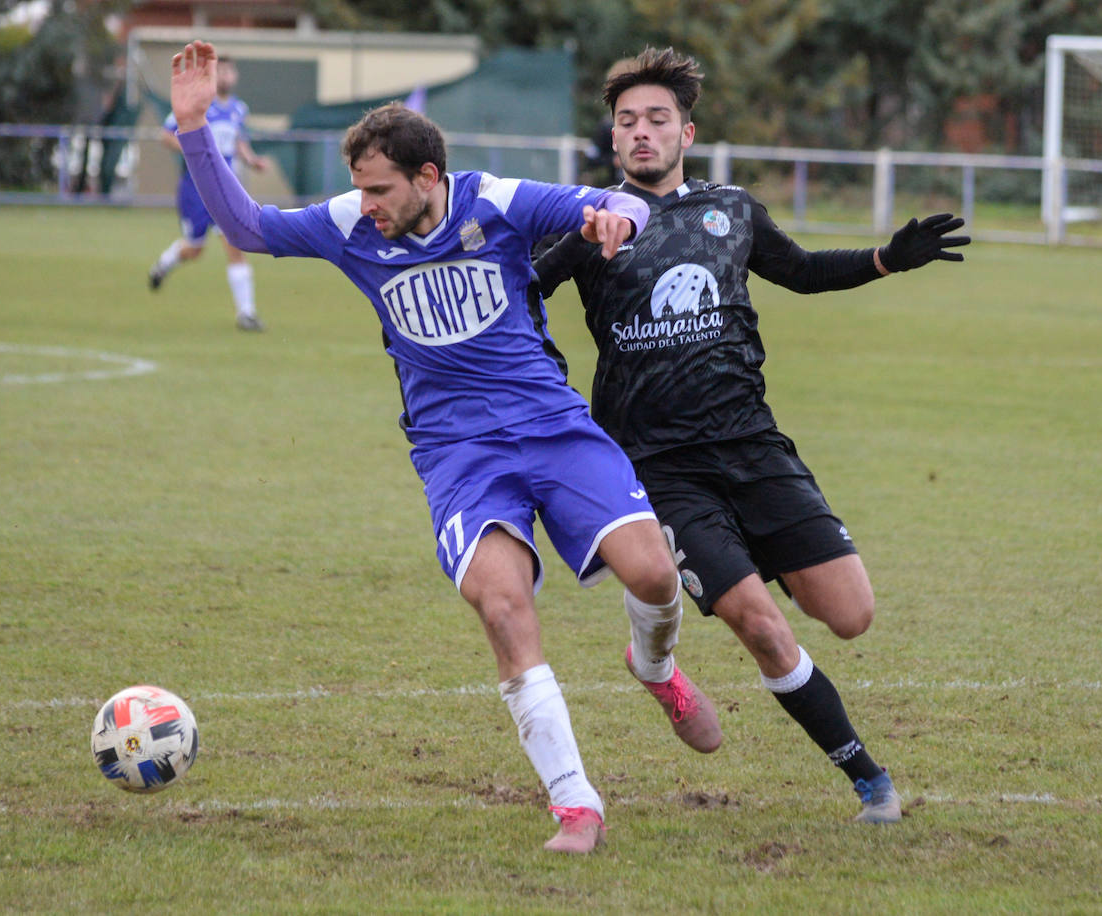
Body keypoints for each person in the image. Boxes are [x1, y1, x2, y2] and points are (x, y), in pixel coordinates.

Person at [167, 40, 724, 853]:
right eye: (360, 188)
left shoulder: (493, 202)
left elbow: (618, 204)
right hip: (458, 454)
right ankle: (575, 803)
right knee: (502, 604)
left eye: (380, 189)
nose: (366, 204)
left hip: (550, 424)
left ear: (428, 177)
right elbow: (248, 226)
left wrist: (615, 217)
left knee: (653, 574)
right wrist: (194, 128)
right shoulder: (350, 225)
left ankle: (655, 667)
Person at [533, 47, 971, 824]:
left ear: (686, 133)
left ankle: (702, 616)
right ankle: (870, 780)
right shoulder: (590, 221)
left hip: (753, 445)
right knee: (762, 628)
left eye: (657, 119)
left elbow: (801, 270)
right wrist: (573, 243)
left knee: (850, 614)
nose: (641, 132)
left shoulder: (731, 210)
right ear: (613, 138)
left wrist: (885, 260)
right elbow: (522, 290)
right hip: (660, 466)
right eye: (627, 121)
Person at [148, 54, 272, 332]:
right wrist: (196, 151)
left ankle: (247, 314)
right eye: (221, 71)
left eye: (229, 71)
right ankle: (163, 265)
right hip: (195, 189)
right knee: (194, 249)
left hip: (224, 189)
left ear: (235, 76)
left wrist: (251, 160)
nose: (225, 76)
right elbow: (166, 135)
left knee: (236, 245)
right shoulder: (197, 104)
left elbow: (238, 141)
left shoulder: (238, 109)